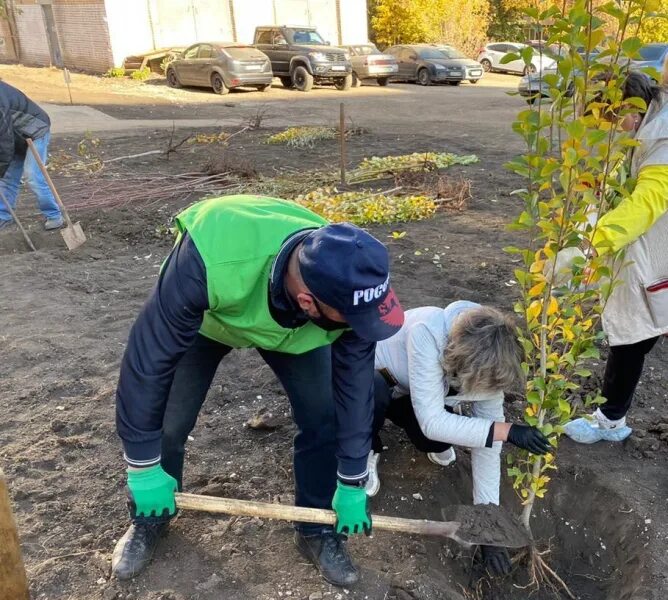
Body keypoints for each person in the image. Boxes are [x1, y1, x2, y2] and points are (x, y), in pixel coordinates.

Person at [111, 194, 405, 586]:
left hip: (297, 335)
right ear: (308, 301)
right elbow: (147, 362)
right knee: (167, 419)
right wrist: (142, 468)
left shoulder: (349, 281)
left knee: (325, 415)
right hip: (210, 317)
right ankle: (151, 518)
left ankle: (316, 530)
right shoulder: (210, 256)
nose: (362, 326)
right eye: (351, 319)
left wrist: (351, 479)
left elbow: (352, 391)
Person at [366, 301, 551, 576]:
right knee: (374, 393)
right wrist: (508, 430)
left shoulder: (490, 359)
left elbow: (488, 444)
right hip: (377, 382)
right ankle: (366, 447)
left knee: (438, 442)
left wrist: (488, 527)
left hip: (416, 395)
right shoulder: (426, 331)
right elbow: (432, 422)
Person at [564, 73, 668, 444]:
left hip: (655, 248)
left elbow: (645, 203)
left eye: (610, 119)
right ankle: (611, 419)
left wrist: (593, 243)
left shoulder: (663, 139)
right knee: (635, 337)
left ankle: (609, 420)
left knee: (633, 337)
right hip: (647, 250)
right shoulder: (646, 127)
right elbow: (617, 183)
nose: (608, 129)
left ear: (631, 108)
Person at [0, 81, 63, 230]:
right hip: (15, 135)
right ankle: (3, 216)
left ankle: (54, 215)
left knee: (33, 175)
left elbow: (4, 139)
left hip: (35, 131)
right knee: (8, 178)